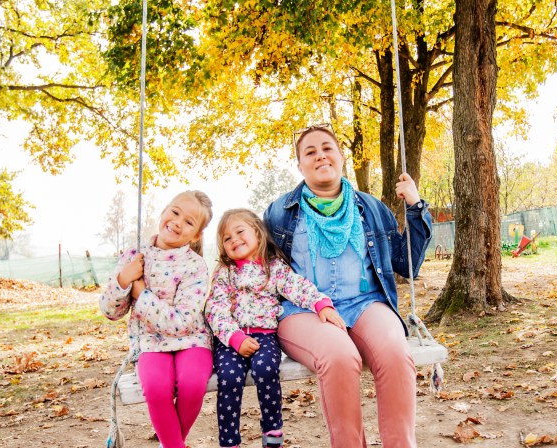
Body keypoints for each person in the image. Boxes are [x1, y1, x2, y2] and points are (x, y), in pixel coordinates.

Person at [263, 125, 433, 448]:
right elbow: (261, 269)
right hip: (303, 311)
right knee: (340, 356)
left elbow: (406, 263)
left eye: (327, 148)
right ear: (299, 165)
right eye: (309, 152)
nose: (320, 155)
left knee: (396, 352)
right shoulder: (278, 214)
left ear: (341, 157)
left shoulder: (370, 208)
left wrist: (415, 208)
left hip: (366, 302)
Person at [205, 208, 346, 448]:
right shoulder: (224, 273)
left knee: (266, 369)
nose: (234, 239)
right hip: (230, 340)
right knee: (228, 376)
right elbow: (214, 309)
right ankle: (229, 442)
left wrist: (321, 304)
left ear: (258, 234)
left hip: (265, 336)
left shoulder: (274, 268)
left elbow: (297, 286)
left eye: (240, 231)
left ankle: (272, 436)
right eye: (227, 238)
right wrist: (234, 338)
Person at [99, 190, 215, 448]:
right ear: (163, 212)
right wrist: (123, 281)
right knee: (155, 386)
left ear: (196, 235)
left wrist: (141, 295)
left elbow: (180, 322)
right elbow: (110, 312)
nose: (177, 222)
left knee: (193, 383)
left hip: (191, 340)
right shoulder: (134, 257)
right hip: (150, 342)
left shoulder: (195, 265)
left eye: (189, 222)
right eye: (175, 212)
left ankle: (171, 444)